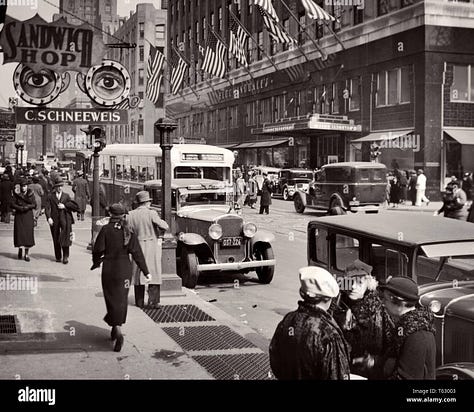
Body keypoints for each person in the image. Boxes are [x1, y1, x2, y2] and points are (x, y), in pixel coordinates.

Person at [269, 266, 351, 380]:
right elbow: (337, 374)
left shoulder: (288, 320)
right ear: (328, 298)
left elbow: (275, 360)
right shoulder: (327, 333)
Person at [91, 203, 151, 352]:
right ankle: (116, 327)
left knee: (111, 299)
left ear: (110, 215)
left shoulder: (105, 230)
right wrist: (146, 271)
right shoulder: (128, 231)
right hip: (125, 270)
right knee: (121, 300)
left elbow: (97, 249)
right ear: (123, 216)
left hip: (109, 270)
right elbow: (137, 253)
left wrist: (96, 262)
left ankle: (116, 329)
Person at [331, 260, 394, 379]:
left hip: (369, 372)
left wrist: (374, 361)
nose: (353, 287)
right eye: (349, 282)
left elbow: (392, 347)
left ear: (369, 284)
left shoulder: (379, 309)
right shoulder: (336, 305)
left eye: (359, 282)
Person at [380, 277, 436, 380]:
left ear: (398, 301)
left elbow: (406, 377)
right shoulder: (405, 326)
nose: (382, 303)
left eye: (385, 299)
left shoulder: (417, 336)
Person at [126, 191, 169, 308]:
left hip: (137, 246)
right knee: (153, 274)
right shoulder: (152, 213)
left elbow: (128, 231)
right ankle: (153, 302)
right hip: (151, 246)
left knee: (138, 274)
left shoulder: (130, 214)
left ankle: (139, 302)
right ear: (147, 202)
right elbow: (164, 226)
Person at [44, 177, 79, 264]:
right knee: (55, 238)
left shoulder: (66, 196)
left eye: (61, 186)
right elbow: (47, 208)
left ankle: (65, 256)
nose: (59, 188)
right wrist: (49, 218)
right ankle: (58, 256)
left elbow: (75, 207)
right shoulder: (50, 196)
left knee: (66, 237)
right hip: (54, 220)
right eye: (58, 186)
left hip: (65, 220)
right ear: (55, 187)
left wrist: (65, 206)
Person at [10, 178, 36, 261]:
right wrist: (19, 208)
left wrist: (27, 207)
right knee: (19, 234)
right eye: (22, 186)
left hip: (28, 215)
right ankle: (20, 249)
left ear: (27, 186)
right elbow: (12, 204)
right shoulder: (17, 194)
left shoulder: (31, 194)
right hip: (19, 215)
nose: (23, 188)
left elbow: (34, 204)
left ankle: (26, 254)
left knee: (28, 234)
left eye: (24, 186)